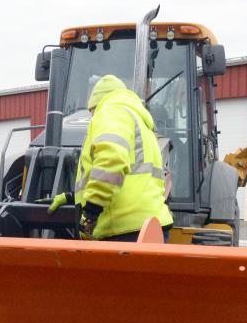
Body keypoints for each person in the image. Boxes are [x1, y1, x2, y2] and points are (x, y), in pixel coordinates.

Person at [48, 75, 173, 241]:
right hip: (149, 228)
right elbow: (132, 180)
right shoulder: (140, 122)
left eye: (91, 111)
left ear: (96, 104)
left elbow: (111, 161)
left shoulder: (110, 111)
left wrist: (91, 211)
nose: (92, 116)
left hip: (125, 231)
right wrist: (72, 197)